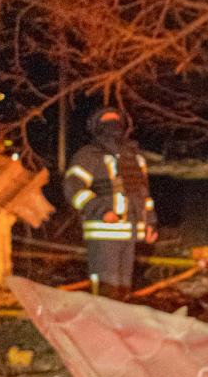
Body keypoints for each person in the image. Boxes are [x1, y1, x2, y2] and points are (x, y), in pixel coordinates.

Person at [63, 107, 157, 298]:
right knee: (106, 290)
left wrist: (150, 223)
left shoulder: (135, 158)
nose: (113, 125)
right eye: (107, 121)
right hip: (103, 233)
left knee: (123, 290)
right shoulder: (88, 156)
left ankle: (120, 327)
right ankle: (99, 327)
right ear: (97, 126)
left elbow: (143, 195)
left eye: (116, 120)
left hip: (129, 233)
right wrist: (100, 210)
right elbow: (73, 188)